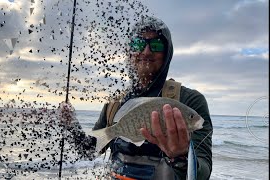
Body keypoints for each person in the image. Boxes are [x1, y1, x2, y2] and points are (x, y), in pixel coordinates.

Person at [63, 16, 213, 180]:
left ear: (167, 52)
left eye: (156, 45)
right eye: (138, 44)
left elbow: (203, 172)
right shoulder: (115, 103)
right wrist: (71, 125)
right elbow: (89, 151)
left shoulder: (189, 100)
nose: (146, 51)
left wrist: (181, 157)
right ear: (129, 52)